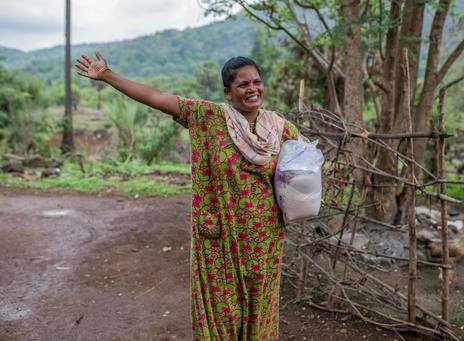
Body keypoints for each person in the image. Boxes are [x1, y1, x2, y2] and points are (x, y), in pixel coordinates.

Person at [75, 52, 302, 341]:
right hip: (219, 240)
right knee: (223, 313)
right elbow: (155, 97)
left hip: (264, 240)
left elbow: (304, 166)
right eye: (243, 85)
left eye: (257, 82)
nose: (252, 89)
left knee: (261, 310)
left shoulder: (280, 129)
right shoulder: (207, 117)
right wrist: (107, 75)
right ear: (228, 93)